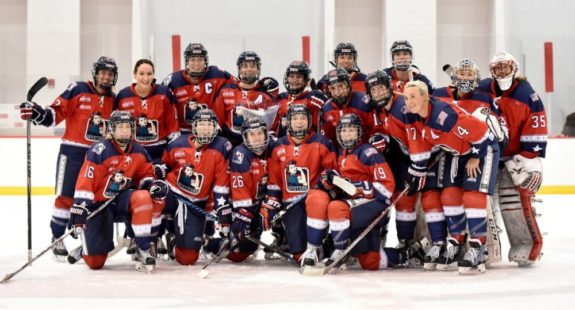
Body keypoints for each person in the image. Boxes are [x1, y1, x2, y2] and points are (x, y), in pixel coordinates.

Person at [19, 56, 118, 260]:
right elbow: (54, 115)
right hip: (72, 152)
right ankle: (57, 238)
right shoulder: (78, 89)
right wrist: (37, 112)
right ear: (95, 73)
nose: (106, 77)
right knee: (65, 196)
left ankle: (87, 236)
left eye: (110, 74)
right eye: (103, 72)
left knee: (93, 198)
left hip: (98, 156)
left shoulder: (113, 100)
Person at [303, 113, 424, 271]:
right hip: (352, 206)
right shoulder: (341, 153)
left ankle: (341, 251)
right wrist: (328, 180)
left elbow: (387, 187)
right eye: (344, 130)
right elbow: (337, 179)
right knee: (371, 262)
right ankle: (408, 254)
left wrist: (357, 187)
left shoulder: (368, 153)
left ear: (359, 132)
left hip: (375, 204)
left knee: (336, 208)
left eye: (351, 130)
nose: (347, 134)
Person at [404, 80, 500, 274]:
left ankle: (478, 248)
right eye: (406, 97)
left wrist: (476, 156)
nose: (409, 101)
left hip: (482, 149)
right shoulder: (417, 116)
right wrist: (418, 170)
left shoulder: (443, 115)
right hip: (459, 154)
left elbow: (482, 134)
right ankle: (456, 244)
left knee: (472, 197)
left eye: (413, 96)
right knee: (449, 196)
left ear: (425, 96)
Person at [68, 110, 168, 272]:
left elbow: (146, 175)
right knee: (95, 263)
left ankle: (143, 247)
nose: (124, 131)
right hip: (99, 205)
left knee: (143, 197)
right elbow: (86, 181)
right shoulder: (100, 151)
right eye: (120, 127)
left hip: (122, 201)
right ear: (111, 130)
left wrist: (152, 186)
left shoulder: (138, 150)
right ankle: (86, 247)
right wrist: (80, 206)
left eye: (127, 127)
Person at [365, 70, 441, 268]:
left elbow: (419, 136)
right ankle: (407, 243)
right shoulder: (381, 110)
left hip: (430, 156)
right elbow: (386, 130)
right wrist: (382, 138)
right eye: (375, 90)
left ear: (390, 87)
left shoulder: (403, 107)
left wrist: (419, 166)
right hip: (407, 157)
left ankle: (440, 243)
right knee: (403, 200)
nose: (379, 93)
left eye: (382, 88)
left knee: (431, 199)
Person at [478, 51, 547, 266]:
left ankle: (524, 245)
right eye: (497, 67)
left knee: (512, 200)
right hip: (488, 155)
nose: (501, 71)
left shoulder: (527, 94)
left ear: (514, 68)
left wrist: (527, 159)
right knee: (482, 202)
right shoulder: (482, 90)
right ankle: (487, 247)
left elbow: (536, 124)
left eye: (505, 67)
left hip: (512, 158)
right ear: (491, 70)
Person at [261, 104, 337, 264]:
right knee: (298, 255)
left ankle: (325, 244)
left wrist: (326, 180)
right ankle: (314, 246)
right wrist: (272, 201)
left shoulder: (322, 142)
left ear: (309, 121)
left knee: (318, 203)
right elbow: (275, 181)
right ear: (288, 122)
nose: (299, 122)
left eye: (303, 118)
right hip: (291, 204)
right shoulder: (278, 146)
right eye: (295, 119)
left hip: (315, 201)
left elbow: (331, 172)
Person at [160, 109, 233, 266]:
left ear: (216, 128)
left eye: (209, 125)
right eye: (201, 125)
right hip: (173, 193)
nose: (205, 129)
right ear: (194, 127)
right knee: (153, 197)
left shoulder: (222, 146)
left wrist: (220, 207)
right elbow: (164, 167)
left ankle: (175, 241)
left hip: (195, 202)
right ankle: (149, 241)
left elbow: (221, 182)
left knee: (187, 258)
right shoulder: (177, 144)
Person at [217, 117, 274, 262]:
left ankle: (284, 238)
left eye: (260, 133)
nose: (257, 138)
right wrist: (244, 214)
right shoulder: (240, 154)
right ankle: (212, 244)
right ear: (245, 137)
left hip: (269, 202)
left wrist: (271, 203)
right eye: (252, 134)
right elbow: (240, 190)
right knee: (239, 253)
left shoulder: (275, 148)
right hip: (246, 207)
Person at [117, 59, 179, 162]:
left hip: (159, 151)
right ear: (134, 75)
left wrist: (169, 154)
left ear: (153, 75)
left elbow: (173, 128)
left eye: (149, 74)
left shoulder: (164, 93)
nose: (145, 78)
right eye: (141, 73)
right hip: (133, 151)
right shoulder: (123, 95)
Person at [163, 43, 235, 132]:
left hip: (209, 131)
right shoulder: (173, 81)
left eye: (200, 59)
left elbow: (239, 85)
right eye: (192, 60)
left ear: (205, 61)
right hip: (184, 131)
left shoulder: (217, 74)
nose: (196, 63)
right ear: (187, 62)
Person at [214, 51, 278, 146]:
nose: (249, 69)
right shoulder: (226, 91)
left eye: (252, 66)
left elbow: (271, 126)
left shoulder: (265, 95)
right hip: (231, 142)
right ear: (239, 69)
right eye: (245, 66)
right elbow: (217, 121)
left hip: (257, 144)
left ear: (258, 69)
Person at [271, 61, 327, 138]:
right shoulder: (281, 98)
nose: (294, 80)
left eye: (299, 77)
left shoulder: (315, 101)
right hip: (283, 147)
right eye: (291, 76)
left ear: (305, 80)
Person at [320, 68, 374, 144]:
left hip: (364, 148)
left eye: (341, 86)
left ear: (348, 85)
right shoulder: (326, 109)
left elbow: (374, 131)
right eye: (333, 88)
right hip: (341, 153)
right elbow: (328, 141)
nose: (337, 92)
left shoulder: (364, 102)